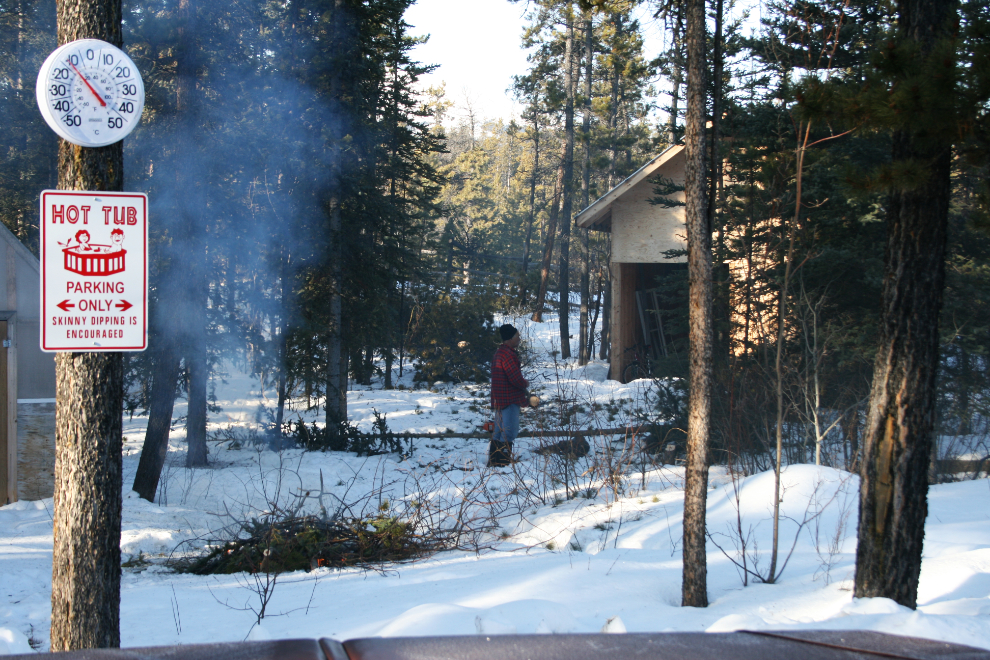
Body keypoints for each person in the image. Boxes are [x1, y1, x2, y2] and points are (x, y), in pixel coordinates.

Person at [489, 323, 532, 467]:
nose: (519, 339)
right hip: (509, 399)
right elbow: (515, 379)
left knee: (498, 431)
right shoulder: (508, 355)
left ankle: (494, 460)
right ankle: (502, 462)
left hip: (500, 399)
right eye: (517, 336)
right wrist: (525, 383)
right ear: (510, 338)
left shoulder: (499, 353)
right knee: (509, 432)